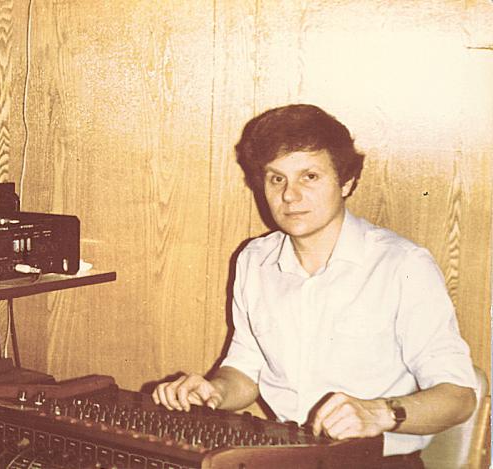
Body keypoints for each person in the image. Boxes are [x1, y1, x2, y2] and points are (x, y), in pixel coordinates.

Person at [151, 104, 477, 468]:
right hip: (283, 456)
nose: (290, 195)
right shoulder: (254, 260)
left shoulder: (403, 265)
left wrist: (378, 413)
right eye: (277, 179)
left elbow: (460, 397)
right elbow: (245, 369)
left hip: (372, 462)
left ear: (346, 182)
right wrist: (215, 390)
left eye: (309, 176)